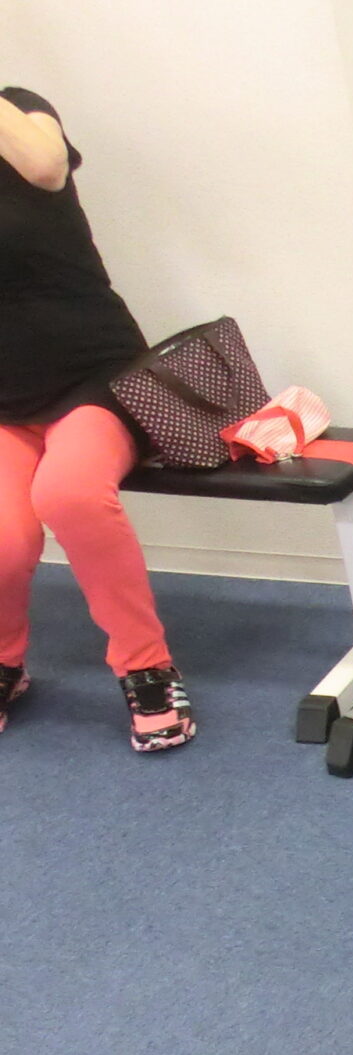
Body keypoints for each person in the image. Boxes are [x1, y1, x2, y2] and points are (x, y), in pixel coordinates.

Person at [0, 87, 195, 751]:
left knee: (70, 493)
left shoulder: (21, 112)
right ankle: (4, 663)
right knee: (4, 536)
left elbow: (45, 167)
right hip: (5, 403)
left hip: (96, 377)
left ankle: (147, 668)